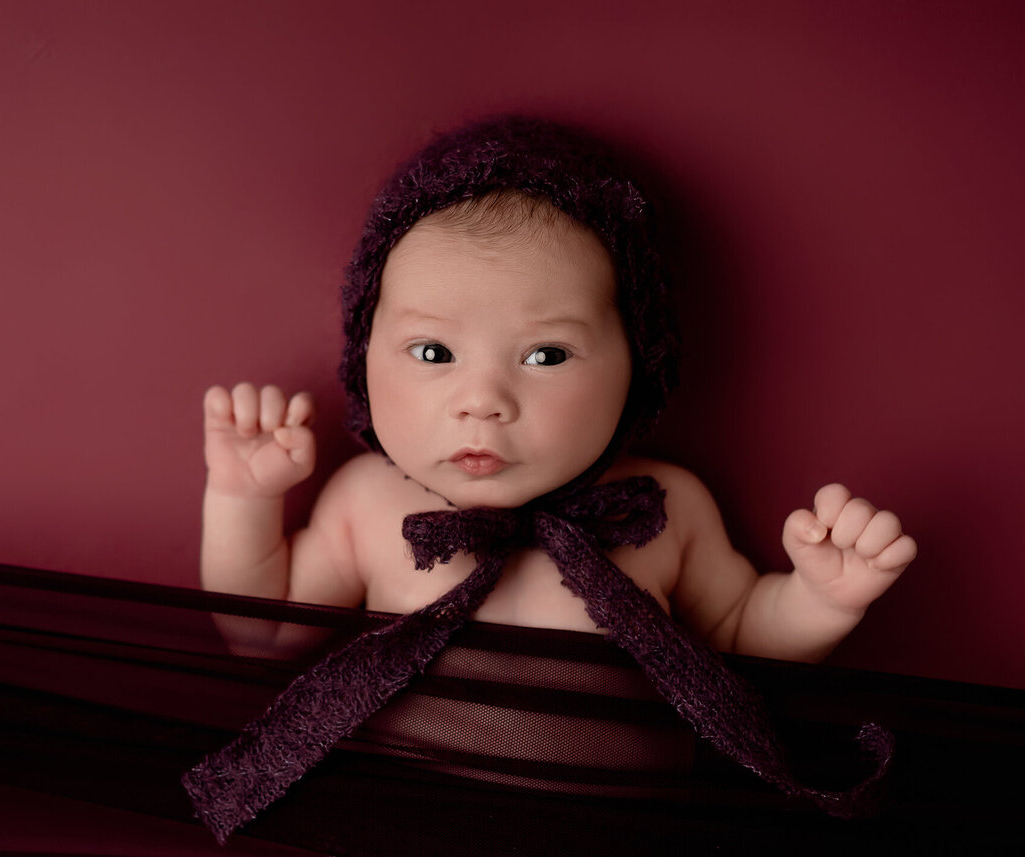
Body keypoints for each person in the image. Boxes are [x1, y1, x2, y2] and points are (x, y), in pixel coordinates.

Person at [198, 117, 916, 664]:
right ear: (364, 357)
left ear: (638, 364)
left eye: (545, 354)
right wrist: (242, 499)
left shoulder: (664, 508)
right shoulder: (364, 502)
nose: (482, 400)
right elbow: (262, 630)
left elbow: (738, 633)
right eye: (433, 351)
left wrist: (819, 600)